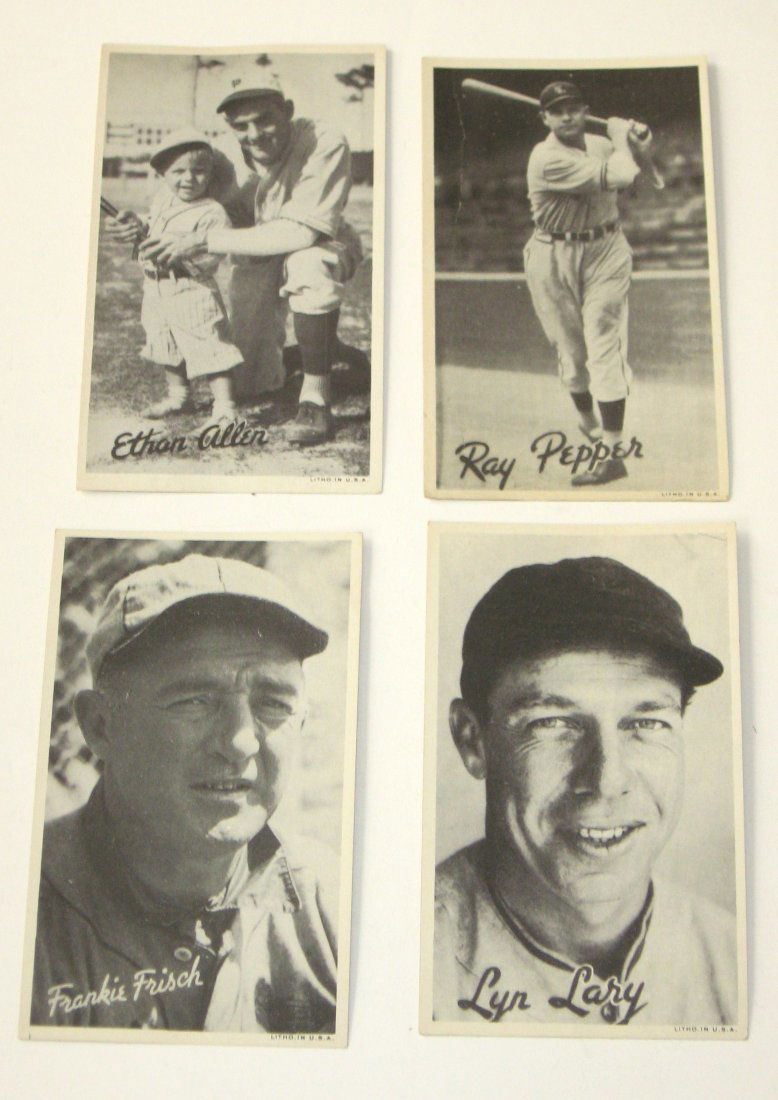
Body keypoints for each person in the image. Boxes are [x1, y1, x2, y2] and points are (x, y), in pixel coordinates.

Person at [31, 554, 339, 1033]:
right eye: (195, 701)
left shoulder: (332, 907)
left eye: (272, 704)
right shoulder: (26, 909)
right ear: (100, 725)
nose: (240, 741)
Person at [434, 556, 738, 1028]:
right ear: (473, 740)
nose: (607, 780)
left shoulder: (738, 961)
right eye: (553, 723)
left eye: (646, 723)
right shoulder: (404, 957)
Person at [137, 69, 366, 447]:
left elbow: (301, 233)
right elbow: (180, 201)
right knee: (247, 385)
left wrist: (202, 240)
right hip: (259, 248)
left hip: (324, 241)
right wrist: (139, 229)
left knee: (307, 265)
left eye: (264, 119)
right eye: (241, 125)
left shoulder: (324, 141)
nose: (254, 134)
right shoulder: (223, 164)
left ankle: (315, 398)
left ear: (287, 110)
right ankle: (320, 350)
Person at [523, 81, 654, 486]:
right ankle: (587, 421)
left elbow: (640, 175)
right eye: (557, 110)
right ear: (544, 117)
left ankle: (612, 453)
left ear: (584, 110)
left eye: (574, 108)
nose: (567, 116)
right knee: (572, 354)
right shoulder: (545, 158)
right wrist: (622, 139)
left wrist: (642, 144)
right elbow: (620, 171)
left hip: (606, 250)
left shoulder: (600, 144)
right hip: (553, 255)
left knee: (604, 345)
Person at [117, 129, 243, 422]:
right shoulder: (164, 200)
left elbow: (213, 254)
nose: (188, 178)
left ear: (211, 174)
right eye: (178, 171)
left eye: (199, 171)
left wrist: (183, 254)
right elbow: (153, 229)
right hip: (156, 288)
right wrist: (137, 225)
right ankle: (180, 397)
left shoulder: (212, 211)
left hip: (191, 290)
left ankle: (226, 409)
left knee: (210, 345)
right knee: (165, 342)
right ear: (162, 174)